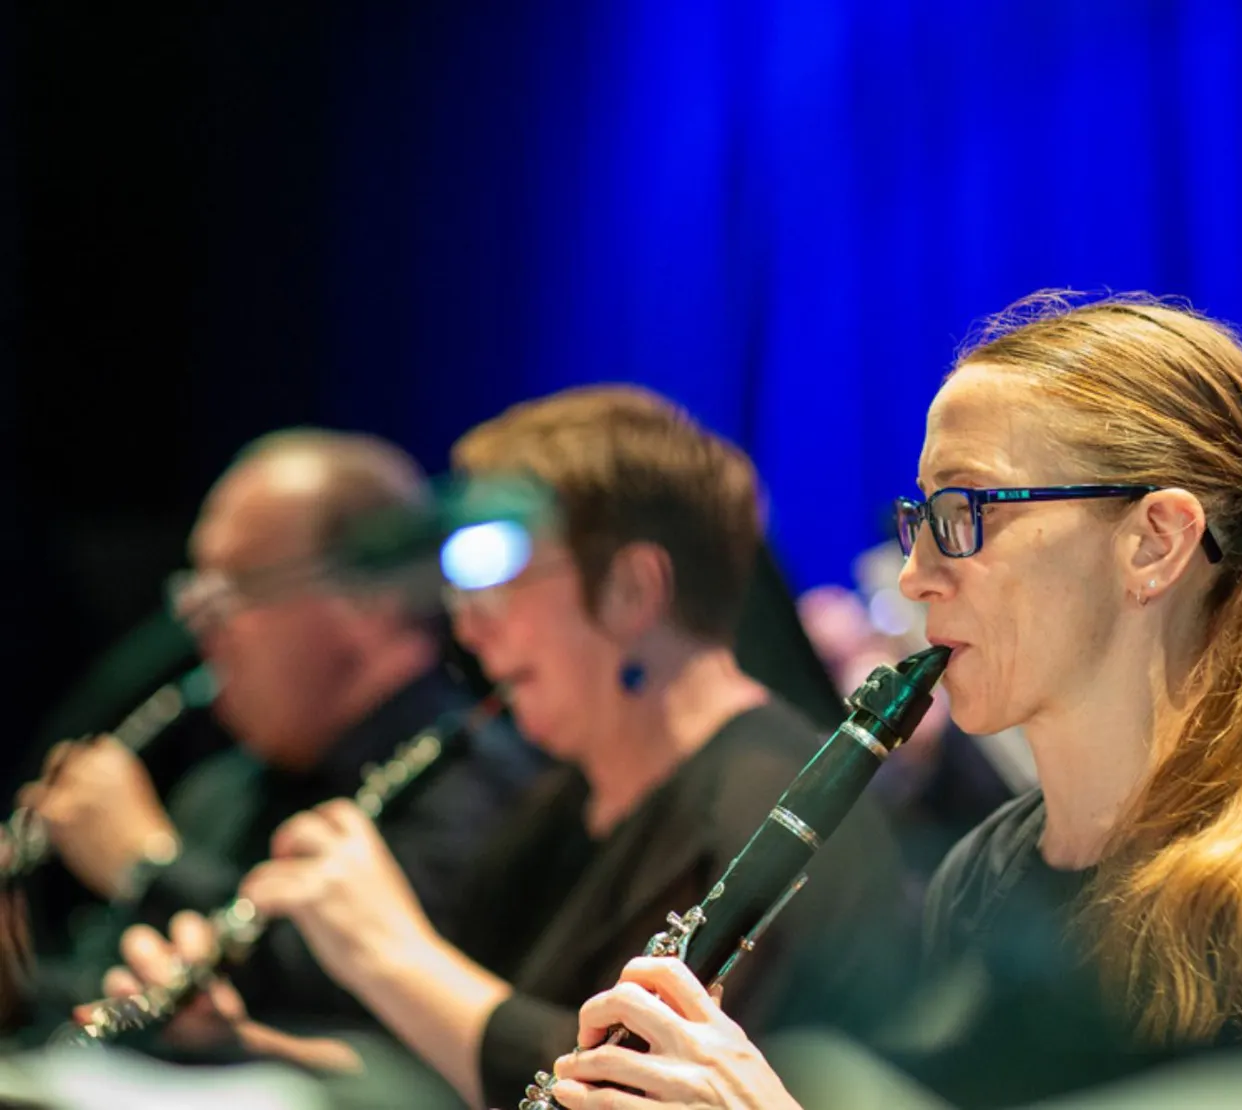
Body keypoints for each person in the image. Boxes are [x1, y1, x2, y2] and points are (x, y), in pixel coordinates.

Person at [546, 293, 1242, 1110]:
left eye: (965, 511)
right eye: (921, 516)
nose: (915, 575)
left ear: (1154, 543)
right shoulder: (987, 869)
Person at [100, 387, 905, 1108]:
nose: (469, 624)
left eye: (501, 571)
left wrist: (390, 952)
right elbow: (464, 1086)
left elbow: (639, 1094)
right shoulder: (558, 802)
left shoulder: (776, 820)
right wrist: (254, 1050)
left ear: (633, 590)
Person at [22, 429, 540, 1042]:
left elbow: (368, 1013)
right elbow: (106, 1003)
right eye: (197, 592)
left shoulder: (484, 789)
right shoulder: (223, 788)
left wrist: (148, 867)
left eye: (236, 587)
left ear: (368, 595)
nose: (205, 629)